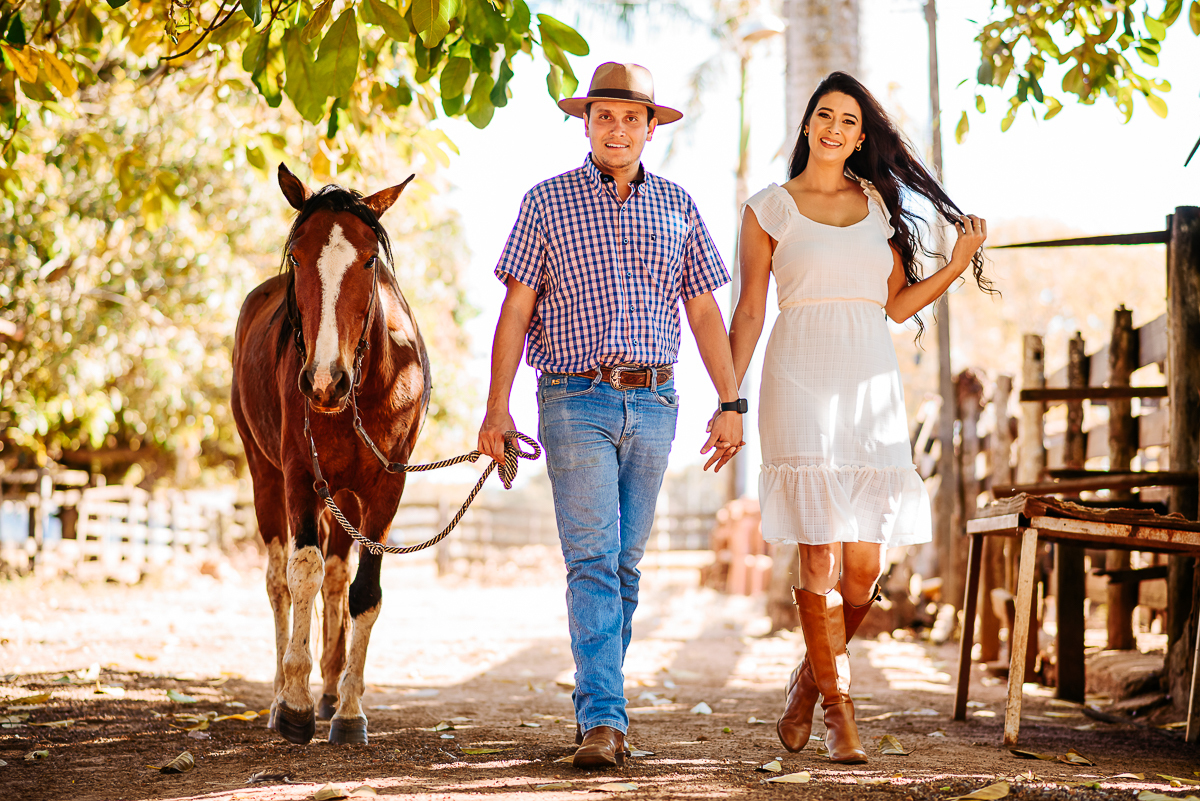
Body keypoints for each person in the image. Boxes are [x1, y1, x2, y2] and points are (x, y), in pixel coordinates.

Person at [477, 62, 746, 769]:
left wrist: (731, 399)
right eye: (604, 115)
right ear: (586, 122)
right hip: (573, 399)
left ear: (652, 127)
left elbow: (704, 312)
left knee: (626, 565)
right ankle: (604, 718)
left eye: (632, 117)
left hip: (656, 402)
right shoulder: (545, 202)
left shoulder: (680, 206)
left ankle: (599, 699)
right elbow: (516, 311)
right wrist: (495, 407)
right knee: (592, 559)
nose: (617, 128)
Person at [727, 71, 990, 764]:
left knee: (863, 567)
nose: (834, 127)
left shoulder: (879, 204)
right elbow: (750, 310)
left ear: (861, 136)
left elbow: (897, 305)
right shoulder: (768, 209)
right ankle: (842, 715)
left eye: (848, 119)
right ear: (808, 125)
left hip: (870, 385)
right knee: (818, 550)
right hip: (798, 379)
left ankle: (807, 685)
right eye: (824, 114)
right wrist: (729, 395)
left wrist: (958, 264)